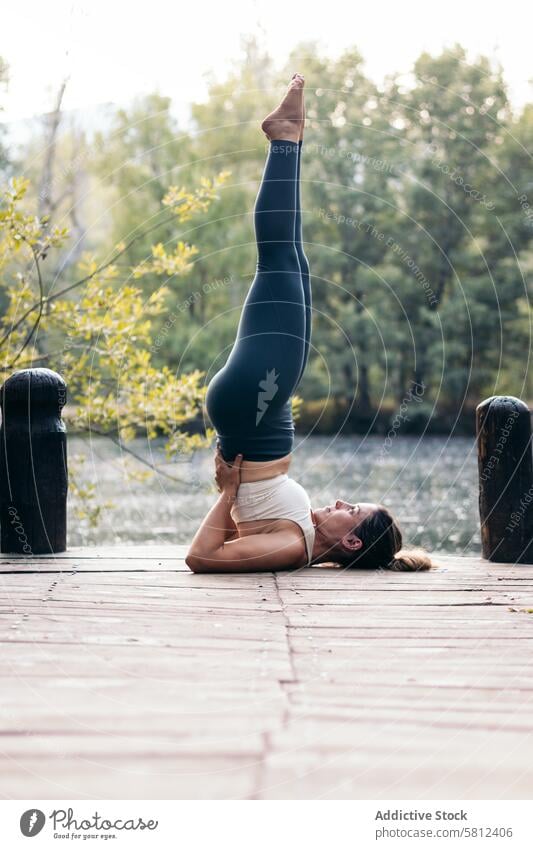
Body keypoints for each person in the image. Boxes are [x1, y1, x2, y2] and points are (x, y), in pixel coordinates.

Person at [186, 74, 432, 575]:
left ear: (351, 545)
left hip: (253, 408)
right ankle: (288, 141)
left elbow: (202, 557)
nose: (342, 502)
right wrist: (234, 497)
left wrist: (229, 493)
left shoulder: (293, 549)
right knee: (292, 260)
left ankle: (285, 138)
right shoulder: (298, 535)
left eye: (352, 512)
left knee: (277, 262)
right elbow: (243, 527)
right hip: (262, 412)